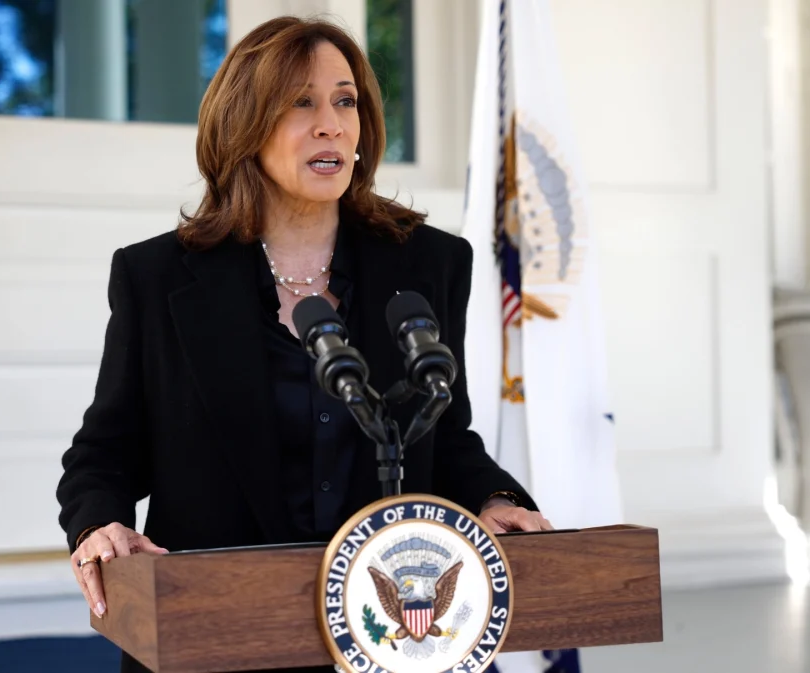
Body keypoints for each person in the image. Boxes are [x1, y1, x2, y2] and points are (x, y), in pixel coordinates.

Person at [56, 15, 551, 672]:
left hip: (391, 638)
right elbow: (105, 454)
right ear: (245, 124)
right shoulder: (157, 278)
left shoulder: (429, 265)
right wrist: (99, 524)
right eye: (301, 103)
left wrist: (497, 498)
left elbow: (441, 436)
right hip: (217, 632)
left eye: (345, 100)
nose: (332, 124)